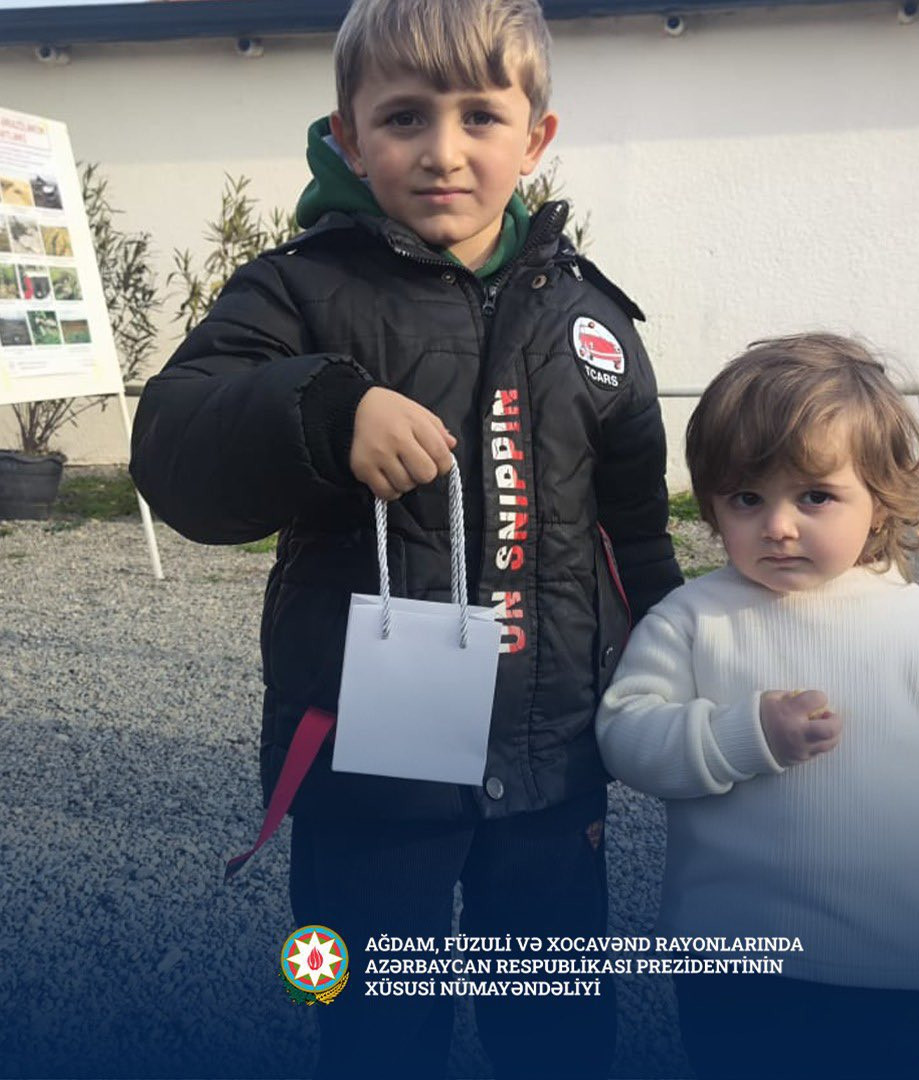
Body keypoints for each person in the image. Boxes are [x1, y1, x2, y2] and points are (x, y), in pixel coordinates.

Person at [129, 0, 681, 1076]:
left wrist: (692, 675)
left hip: (552, 769)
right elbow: (173, 443)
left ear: (536, 137)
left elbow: (638, 536)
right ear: (348, 136)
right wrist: (324, 410)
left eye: (481, 116)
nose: (443, 150)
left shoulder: (593, 320)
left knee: (558, 1032)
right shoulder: (296, 290)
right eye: (403, 117)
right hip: (367, 771)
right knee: (375, 1030)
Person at [595, 333, 919, 1080]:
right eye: (747, 499)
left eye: (814, 496)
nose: (778, 526)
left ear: (881, 498)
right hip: (732, 966)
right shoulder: (692, 619)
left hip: (898, 970)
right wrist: (740, 735)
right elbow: (625, 736)